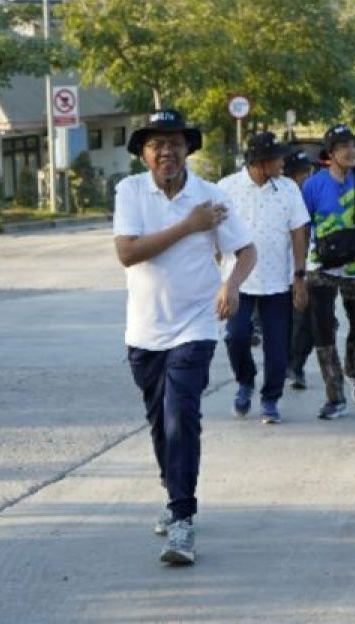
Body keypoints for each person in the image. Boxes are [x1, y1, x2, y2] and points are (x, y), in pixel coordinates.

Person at [113, 110, 256, 566]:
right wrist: (189, 226)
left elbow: (246, 251)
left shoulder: (210, 196)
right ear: (144, 154)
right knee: (159, 422)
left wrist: (230, 286)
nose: (166, 151)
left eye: (174, 142)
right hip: (144, 329)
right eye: (156, 144)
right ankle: (172, 491)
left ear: (187, 149)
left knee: (180, 416)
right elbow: (128, 252)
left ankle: (182, 519)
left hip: (195, 326)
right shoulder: (130, 191)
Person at [218, 131, 310, 424]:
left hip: (277, 281)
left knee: (278, 346)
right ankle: (245, 381)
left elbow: (299, 232)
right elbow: (213, 233)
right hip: (238, 282)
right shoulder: (227, 188)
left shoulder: (288, 189)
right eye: (277, 157)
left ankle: (271, 398)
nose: (283, 162)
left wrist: (299, 275)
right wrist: (218, 276)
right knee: (235, 336)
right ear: (260, 162)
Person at [301, 124, 355, 419]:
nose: (350, 151)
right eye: (342, 146)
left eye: (352, 145)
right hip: (321, 267)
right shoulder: (313, 185)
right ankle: (334, 395)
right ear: (330, 153)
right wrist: (298, 273)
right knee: (322, 331)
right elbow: (302, 228)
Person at [284, 148, 318, 390]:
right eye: (300, 173)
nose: (305, 177)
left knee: (308, 323)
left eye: (308, 172)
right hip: (279, 271)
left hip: (311, 268)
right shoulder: (282, 196)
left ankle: (295, 365)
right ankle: (287, 364)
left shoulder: (313, 194)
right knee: (287, 324)